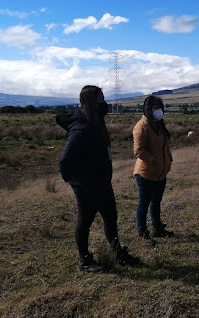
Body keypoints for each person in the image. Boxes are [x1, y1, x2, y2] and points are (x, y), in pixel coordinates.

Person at [57, 85, 140, 272]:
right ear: (90, 103)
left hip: (102, 181)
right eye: (101, 100)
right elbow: (64, 161)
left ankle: (118, 252)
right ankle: (84, 261)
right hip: (86, 185)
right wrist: (76, 181)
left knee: (111, 217)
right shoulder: (81, 129)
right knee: (85, 221)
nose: (104, 104)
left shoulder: (95, 124)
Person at [133, 95, 174, 245]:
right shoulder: (141, 126)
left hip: (160, 172)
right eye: (155, 108)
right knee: (144, 203)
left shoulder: (158, 124)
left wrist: (168, 159)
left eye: (160, 108)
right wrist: (154, 161)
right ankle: (142, 231)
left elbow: (164, 145)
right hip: (146, 172)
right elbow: (138, 150)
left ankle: (157, 228)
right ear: (148, 109)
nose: (159, 111)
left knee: (156, 201)